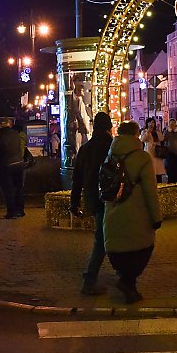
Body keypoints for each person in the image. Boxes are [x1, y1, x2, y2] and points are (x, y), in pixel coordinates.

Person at [103, 121, 162, 304]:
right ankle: (126, 283)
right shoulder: (142, 158)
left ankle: (129, 288)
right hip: (138, 216)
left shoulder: (110, 156)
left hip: (112, 213)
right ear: (136, 135)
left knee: (120, 253)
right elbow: (150, 191)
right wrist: (156, 217)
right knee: (142, 250)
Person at [70, 112, 113, 296]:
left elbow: (77, 179)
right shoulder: (111, 147)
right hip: (113, 199)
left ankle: (120, 277)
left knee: (102, 238)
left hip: (93, 198)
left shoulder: (86, 149)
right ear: (109, 126)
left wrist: (74, 202)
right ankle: (90, 279)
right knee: (104, 240)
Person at [0, 118, 25, 219]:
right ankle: (20, 210)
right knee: (19, 188)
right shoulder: (16, 135)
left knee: (8, 190)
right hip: (19, 164)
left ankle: (11, 212)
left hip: (5, 167)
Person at [140, 117, 166, 183]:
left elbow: (161, 139)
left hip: (157, 152)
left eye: (153, 122)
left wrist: (158, 132)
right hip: (149, 151)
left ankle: (159, 183)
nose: (151, 124)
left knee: (158, 170)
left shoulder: (157, 131)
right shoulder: (144, 131)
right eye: (150, 122)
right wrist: (148, 132)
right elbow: (142, 140)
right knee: (151, 169)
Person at [163, 119, 177, 183]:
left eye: (173, 124)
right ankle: (170, 180)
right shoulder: (166, 131)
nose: (172, 125)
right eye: (171, 124)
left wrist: (176, 132)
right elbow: (164, 138)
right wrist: (169, 132)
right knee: (170, 167)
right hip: (169, 152)